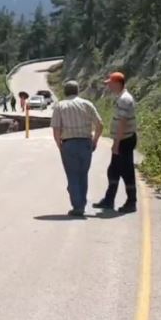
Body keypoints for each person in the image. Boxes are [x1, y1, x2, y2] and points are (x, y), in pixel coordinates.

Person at [51, 80, 104, 217]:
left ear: (65, 91)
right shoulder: (87, 104)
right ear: (77, 91)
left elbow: (56, 129)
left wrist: (59, 145)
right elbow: (100, 124)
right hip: (85, 143)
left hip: (69, 144)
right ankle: (82, 204)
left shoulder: (60, 106)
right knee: (83, 175)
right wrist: (95, 141)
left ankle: (77, 206)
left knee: (73, 176)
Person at [94, 72, 138, 214]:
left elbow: (122, 123)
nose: (108, 86)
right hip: (123, 139)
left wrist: (116, 143)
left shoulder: (125, 99)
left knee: (126, 172)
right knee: (113, 170)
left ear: (118, 83)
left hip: (124, 140)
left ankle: (131, 202)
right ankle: (109, 200)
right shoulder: (121, 98)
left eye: (110, 83)